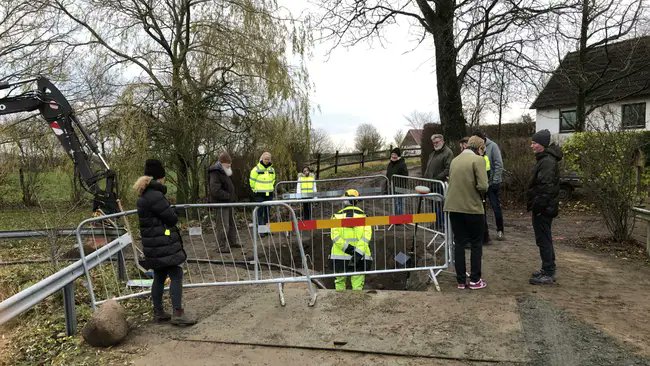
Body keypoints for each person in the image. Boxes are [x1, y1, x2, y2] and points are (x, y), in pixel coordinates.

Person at [133, 159, 196, 325]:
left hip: (153, 244)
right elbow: (170, 218)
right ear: (159, 177)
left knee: (160, 275)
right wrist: (173, 210)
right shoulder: (155, 195)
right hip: (163, 243)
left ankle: (159, 311)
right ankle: (178, 313)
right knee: (176, 274)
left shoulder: (144, 195)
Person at [444, 136, 489, 290]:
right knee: (476, 243)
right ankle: (476, 280)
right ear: (480, 147)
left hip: (453, 208)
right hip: (472, 208)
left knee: (459, 243)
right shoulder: (478, 160)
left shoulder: (455, 160)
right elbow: (483, 186)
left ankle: (461, 281)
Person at [527, 129, 562, 285]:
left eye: (534, 143)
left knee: (544, 239)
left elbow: (546, 188)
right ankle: (547, 268)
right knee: (544, 238)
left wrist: (538, 206)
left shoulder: (547, 161)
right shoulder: (545, 159)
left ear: (541, 144)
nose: (532, 146)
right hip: (544, 207)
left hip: (543, 208)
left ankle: (548, 272)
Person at [330, 189, 373, 291]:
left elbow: (335, 237)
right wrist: (357, 252)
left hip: (339, 257)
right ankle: (357, 305)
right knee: (357, 287)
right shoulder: (364, 217)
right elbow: (366, 237)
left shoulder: (336, 217)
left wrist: (349, 249)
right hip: (360, 257)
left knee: (339, 284)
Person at [473, 130, 505, 241]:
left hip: (492, 183)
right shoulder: (475, 148)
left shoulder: (493, 146)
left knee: (495, 206)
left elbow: (498, 163)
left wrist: (495, 180)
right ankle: (484, 233)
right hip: (482, 183)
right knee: (481, 208)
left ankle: (500, 230)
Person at [208, 152, 240, 250]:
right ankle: (222, 246)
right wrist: (228, 196)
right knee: (223, 225)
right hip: (221, 203)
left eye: (230, 163)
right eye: (227, 163)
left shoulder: (225, 171)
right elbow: (215, 190)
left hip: (228, 202)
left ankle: (232, 242)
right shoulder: (215, 172)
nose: (229, 165)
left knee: (231, 223)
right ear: (222, 162)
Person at [424, 134, 453, 230]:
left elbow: (448, 169)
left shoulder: (448, 152)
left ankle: (441, 225)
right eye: (434, 143)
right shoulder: (433, 153)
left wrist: (437, 178)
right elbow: (429, 167)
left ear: (442, 141)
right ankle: (436, 223)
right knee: (433, 204)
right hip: (431, 183)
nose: (435, 144)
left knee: (440, 205)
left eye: (437, 142)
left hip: (440, 184)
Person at [249, 152, 276, 229]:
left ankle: (267, 229)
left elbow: (273, 180)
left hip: (269, 193)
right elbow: (252, 181)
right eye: (265, 159)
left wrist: (271, 187)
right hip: (259, 194)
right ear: (262, 159)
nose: (267, 160)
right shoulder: (256, 169)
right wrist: (254, 189)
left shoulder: (272, 169)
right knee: (260, 212)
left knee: (267, 212)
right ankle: (261, 230)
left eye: (268, 159)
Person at [386, 147, 408, 215]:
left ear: (398, 156)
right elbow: (388, 174)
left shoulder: (402, 164)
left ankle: (399, 218)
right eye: (392, 154)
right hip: (392, 186)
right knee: (394, 203)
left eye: (395, 154)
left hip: (399, 187)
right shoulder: (390, 164)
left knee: (399, 203)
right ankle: (395, 218)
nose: (393, 156)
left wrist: (401, 186)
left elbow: (405, 176)